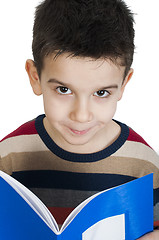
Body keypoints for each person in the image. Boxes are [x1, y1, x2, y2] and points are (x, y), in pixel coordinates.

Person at [0, 0, 159, 238]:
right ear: (35, 77)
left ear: (123, 85)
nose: (81, 115)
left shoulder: (142, 163)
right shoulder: (9, 155)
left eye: (101, 93)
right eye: (64, 90)